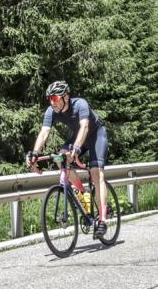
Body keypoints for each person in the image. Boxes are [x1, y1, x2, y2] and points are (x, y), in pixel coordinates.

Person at [26, 81, 111, 239]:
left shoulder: (80, 104)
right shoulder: (51, 111)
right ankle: (85, 195)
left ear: (66, 97)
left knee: (96, 173)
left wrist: (77, 148)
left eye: (56, 98)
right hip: (78, 138)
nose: (53, 102)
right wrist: (35, 154)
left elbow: (84, 127)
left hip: (96, 135)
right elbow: (44, 132)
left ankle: (103, 221)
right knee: (61, 159)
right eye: (50, 99)